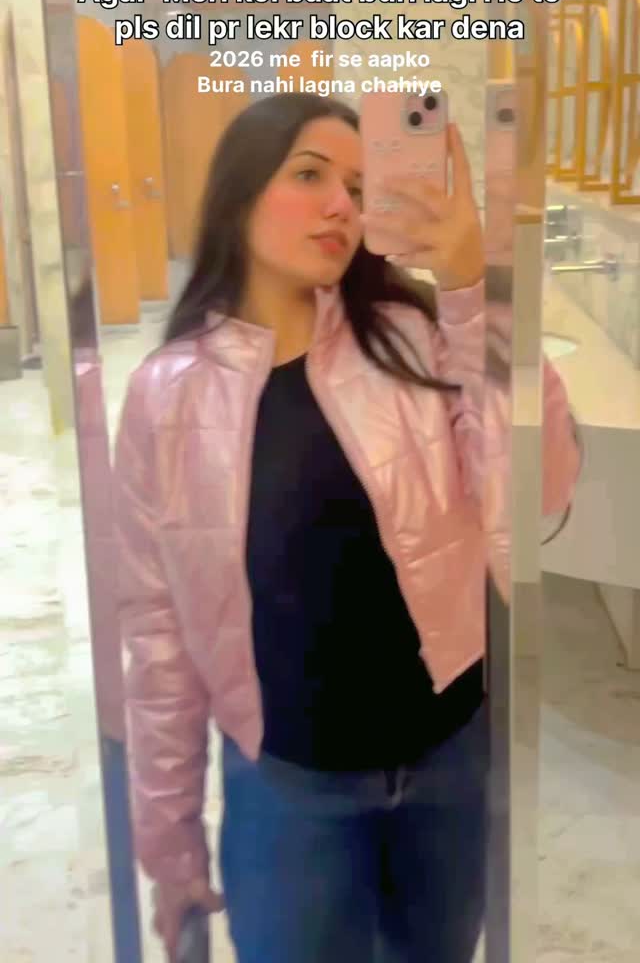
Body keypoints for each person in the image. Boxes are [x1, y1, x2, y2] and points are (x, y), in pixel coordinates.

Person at [113, 93, 580, 963]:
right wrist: (168, 837)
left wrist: (477, 290)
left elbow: (541, 488)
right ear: (239, 193)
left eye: (360, 189)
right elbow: (158, 633)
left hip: (449, 761)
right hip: (287, 787)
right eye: (309, 175)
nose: (341, 205)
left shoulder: (413, 336)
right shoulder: (167, 396)